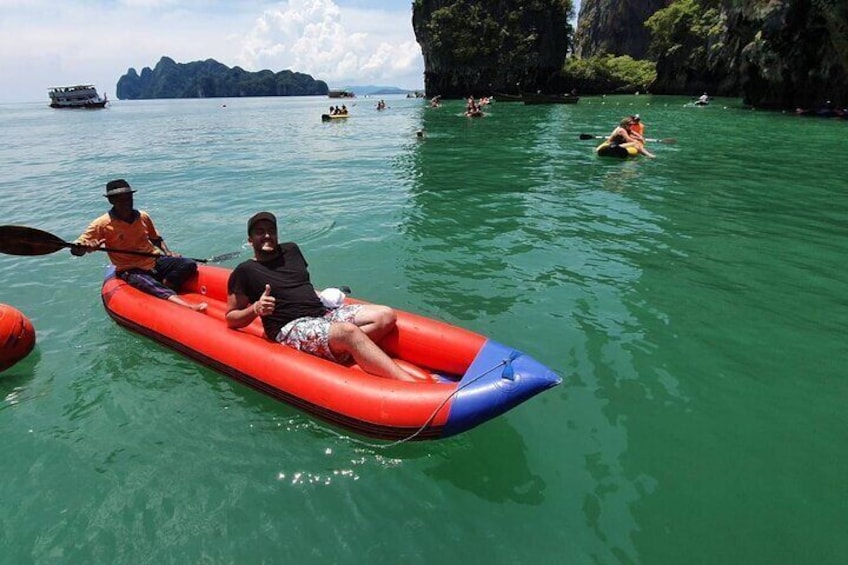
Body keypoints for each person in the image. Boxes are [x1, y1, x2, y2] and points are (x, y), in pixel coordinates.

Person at [226, 212, 422, 382]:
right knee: (348, 332)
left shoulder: (291, 250)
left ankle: (343, 352)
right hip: (289, 327)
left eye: (271, 230)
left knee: (385, 315)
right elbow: (231, 318)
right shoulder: (245, 271)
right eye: (260, 231)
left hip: (321, 313)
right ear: (250, 239)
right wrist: (255, 308)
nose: (267, 235)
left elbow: (299, 284)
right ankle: (410, 384)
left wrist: (322, 295)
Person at [71, 179, 207, 312]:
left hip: (153, 260)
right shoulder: (101, 224)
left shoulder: (143, 216)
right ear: (111, 201)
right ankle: (188, 306)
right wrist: (84, 247)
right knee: (150, 285)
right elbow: (76, 249)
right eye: (121, 200)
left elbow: (155, 239)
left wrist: (167, 251)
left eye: (129, 198)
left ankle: (167, 284)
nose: (127, 203)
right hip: (130, 268)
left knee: (188, 264)